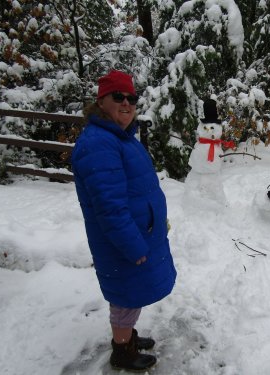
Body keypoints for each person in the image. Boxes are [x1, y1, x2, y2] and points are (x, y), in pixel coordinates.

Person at [71, 70, 176, 372]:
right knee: (125, 300)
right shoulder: (100, 145)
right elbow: (110, 207)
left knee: (131, 295)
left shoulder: (117, 138)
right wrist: (133, 246)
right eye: (119, 97)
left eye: (131, 98)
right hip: (124, 243)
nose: (127, 103)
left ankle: (127, 336)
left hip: (138, 236)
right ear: (101, 101)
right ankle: (122, 351)